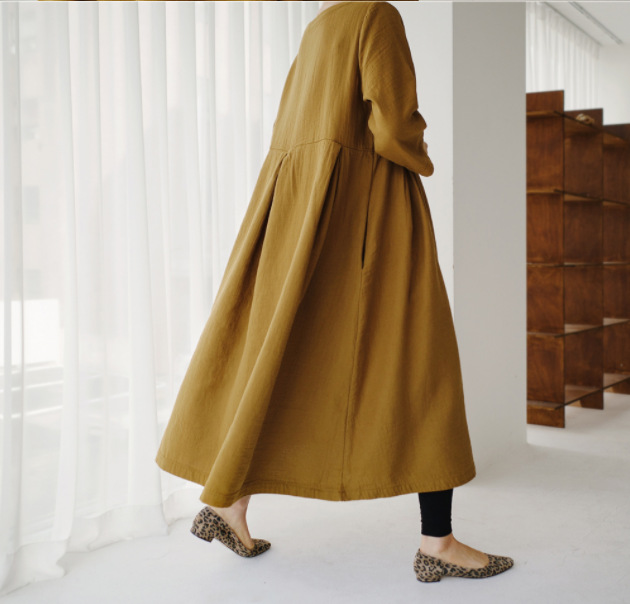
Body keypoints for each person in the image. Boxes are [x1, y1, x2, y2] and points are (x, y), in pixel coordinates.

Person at [155, 0, 514, 582]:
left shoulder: (317, 28)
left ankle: (229, 503)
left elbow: (292, 127)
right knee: (422, 362)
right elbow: (392, 127)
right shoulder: (377, 16)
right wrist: (420, 153)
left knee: (280, 351)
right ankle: (439, 542)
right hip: (368, 207)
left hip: (298, 207)